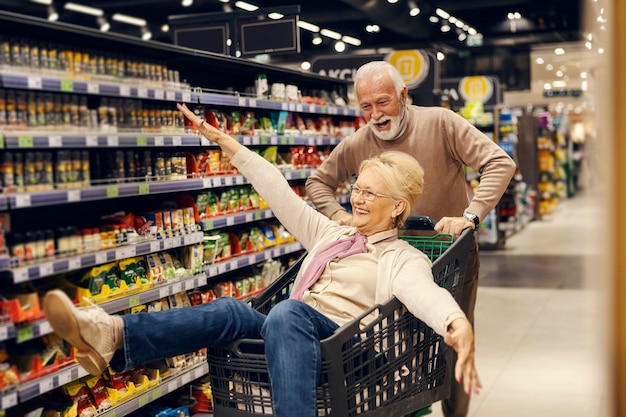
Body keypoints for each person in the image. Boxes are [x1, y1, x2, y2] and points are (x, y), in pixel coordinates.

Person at [43, 103, 481, 417]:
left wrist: (456, 325)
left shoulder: (401, 258)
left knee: (289, 311)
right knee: (236, 311)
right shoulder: (333, 233)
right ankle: (108, 333)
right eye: (357, 188)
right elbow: (276, 189)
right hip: (294, 343)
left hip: (348, 359)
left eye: (371, 192)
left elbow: (424, 294)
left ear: (399, 206)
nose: (358, 198)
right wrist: (226, 143)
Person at [305, 61, 516, 417]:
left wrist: (470, 215)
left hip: (451, 259)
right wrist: (340, 216)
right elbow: (317, 182)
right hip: (389, 264)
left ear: (404, 95)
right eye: (366, 106)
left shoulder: (441, 123)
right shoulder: (358, 143)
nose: (375, 114)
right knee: (397, 349)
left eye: (383, 102)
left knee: (450, 342)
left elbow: (499, 162)